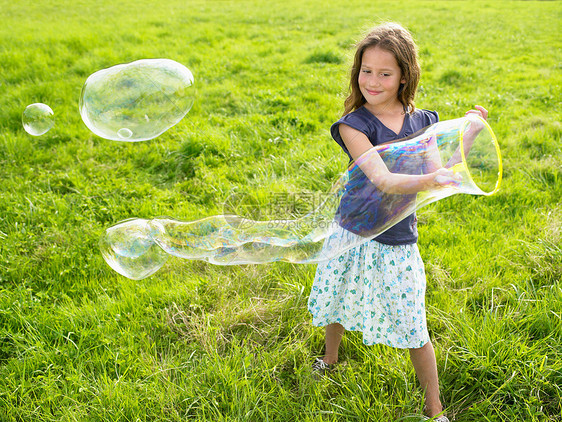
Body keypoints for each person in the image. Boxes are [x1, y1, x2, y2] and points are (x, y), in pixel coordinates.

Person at [307, 22, 488, 421]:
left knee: (413, 323)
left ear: (405, 75)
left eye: (384, 73)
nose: (372, 80)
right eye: (365, 70)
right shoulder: (354, 125)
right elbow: (384, 179)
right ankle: (330, 359)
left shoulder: (423, 120)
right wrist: (429, 178)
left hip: (398, 240)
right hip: (353, 230)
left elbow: (443, 169)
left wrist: (469, 133)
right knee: (337, 297)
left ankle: (434, 410)